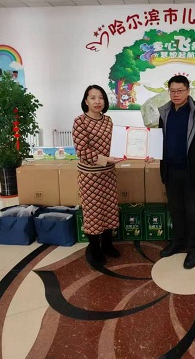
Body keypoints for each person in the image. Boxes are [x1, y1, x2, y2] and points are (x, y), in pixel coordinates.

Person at [157, 75, 195, 269]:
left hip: (192, 172)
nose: (176, 94)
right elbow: (159, 140)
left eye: (180, 90)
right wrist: (150, 153)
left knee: (192, 212)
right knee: (176, 210)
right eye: (172, 91)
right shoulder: (165, 113)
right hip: (170, 170)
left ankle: (194, 248)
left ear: (188, 91)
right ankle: (178, 241)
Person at [73, 85, 123, 267]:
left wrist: (129, 152)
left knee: (109, 209)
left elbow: (116, 144)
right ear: (86, 101)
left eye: (101, 97)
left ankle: (108, 245)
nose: (97, 101)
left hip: (108, 174)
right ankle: (95, 249)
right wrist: (106, 159)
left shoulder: (108, 120)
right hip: (90, 177)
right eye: (92, 97)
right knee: (93, 213)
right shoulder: (80, 122)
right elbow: (81, 151)